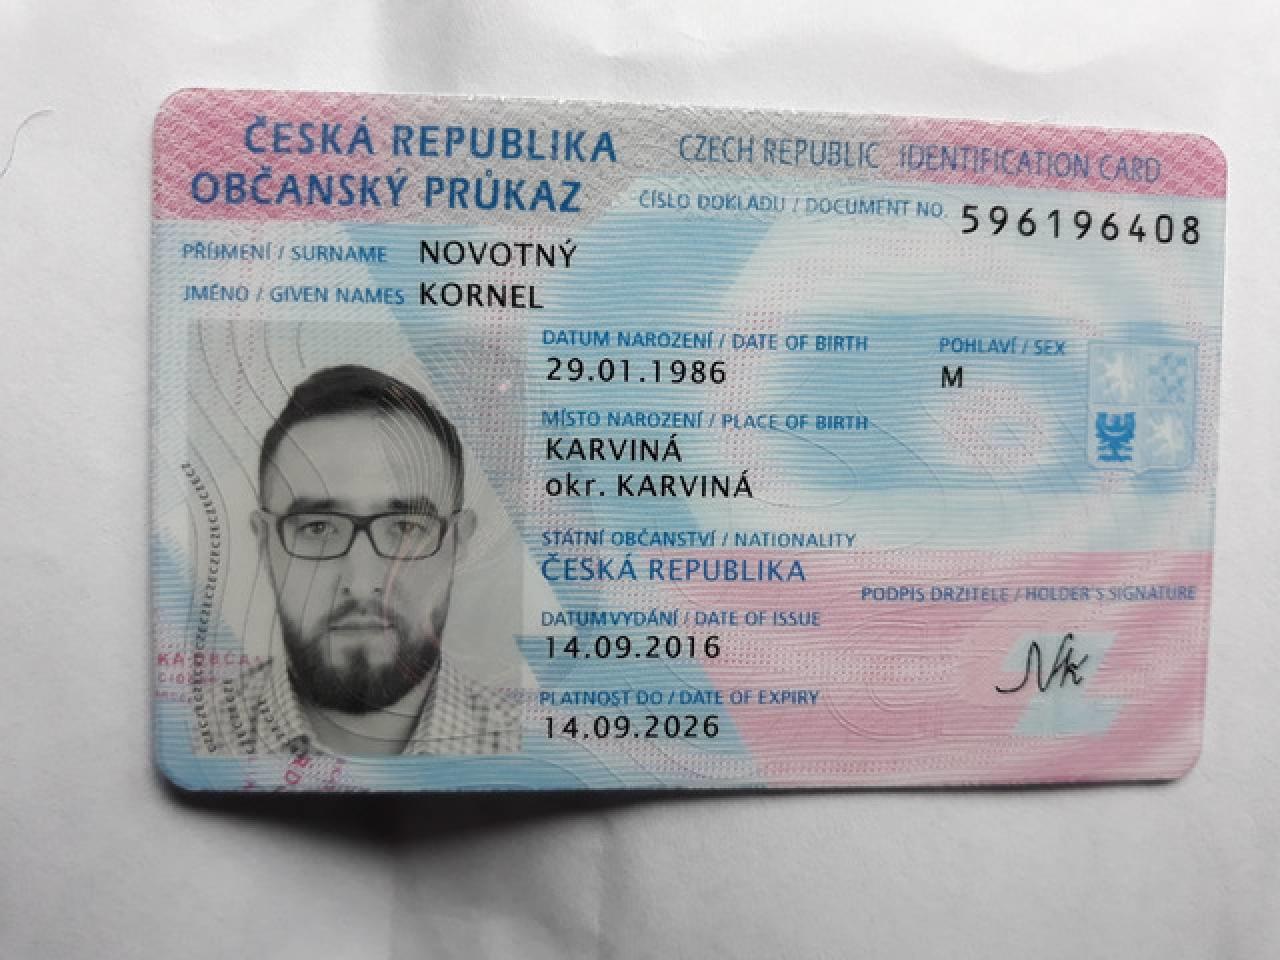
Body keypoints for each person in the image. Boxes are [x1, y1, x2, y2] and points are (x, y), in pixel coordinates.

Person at [198, 364, 520, 757]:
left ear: (458, 542)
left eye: (405, 527)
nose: (363, 582)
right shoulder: (194, 740)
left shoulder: (534, 749)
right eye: (318, 528)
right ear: (265, 544)